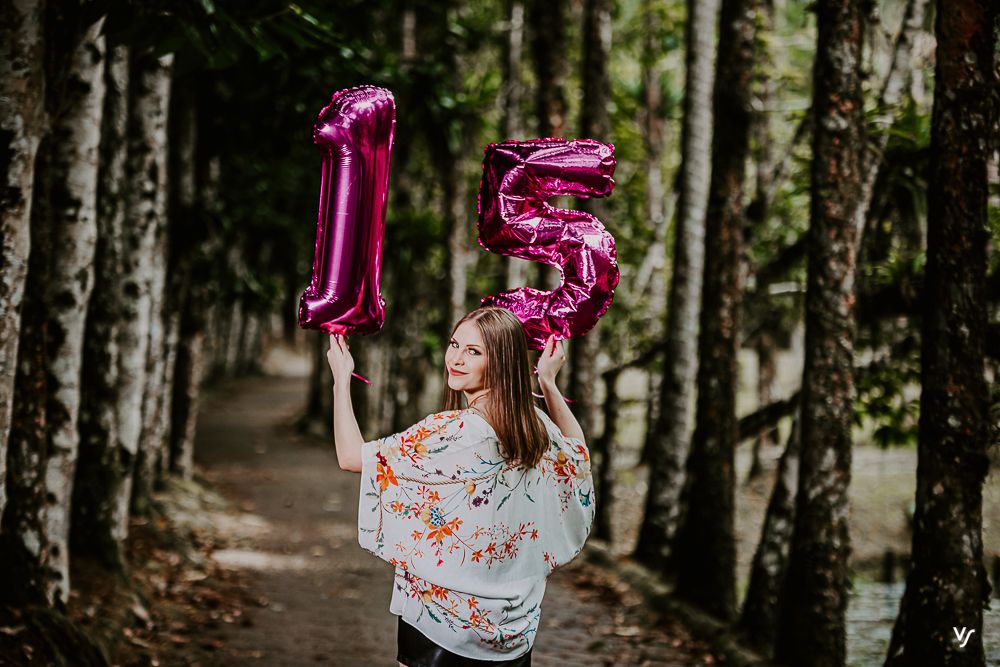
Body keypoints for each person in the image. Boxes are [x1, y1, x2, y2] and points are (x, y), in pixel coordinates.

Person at [327, 306, 596, 666]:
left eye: (474, 351)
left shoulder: (453, 432)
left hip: (440, 628)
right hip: (514, 633)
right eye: (454, 345)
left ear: (500, 361)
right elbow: (576, 452)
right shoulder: (535, 425)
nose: (455, 358)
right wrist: (548, 383)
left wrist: (341, 379)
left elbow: (350, 456)